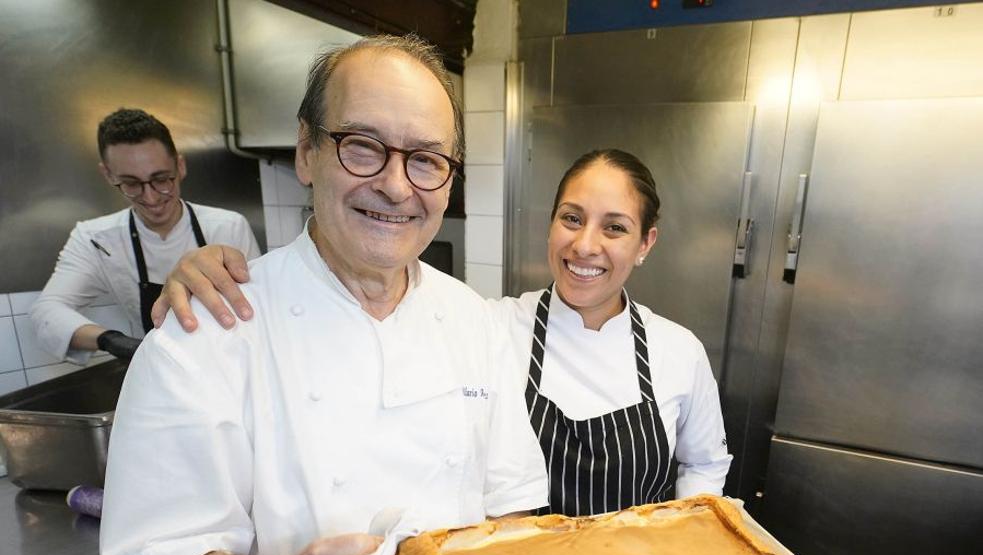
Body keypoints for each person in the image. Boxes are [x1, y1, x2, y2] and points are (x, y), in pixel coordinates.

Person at [99, 35, 548, 555]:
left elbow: (513, 511)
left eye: (426, 159)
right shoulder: (207, 328)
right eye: (363, 146)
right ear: (307, 151)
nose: (396, 185)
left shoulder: (475, 322)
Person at [156, 149, 732, 518]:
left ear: (646, 244)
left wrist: (675, 541)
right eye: (572, 218)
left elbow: (704, 466)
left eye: (615, 228)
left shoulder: (678, 351)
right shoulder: (489, 324)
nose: (585, 246)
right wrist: (212, 269)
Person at [29, 108, 260, 362]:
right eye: (131, 183)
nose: (150, 197)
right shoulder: (95, 239)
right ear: (108, 175)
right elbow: (47, 311)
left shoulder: (228, 227)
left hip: (227, 363)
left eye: (161, 179)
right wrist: (113, 341)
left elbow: (259, 308)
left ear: (180, 167)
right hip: (154, 365)